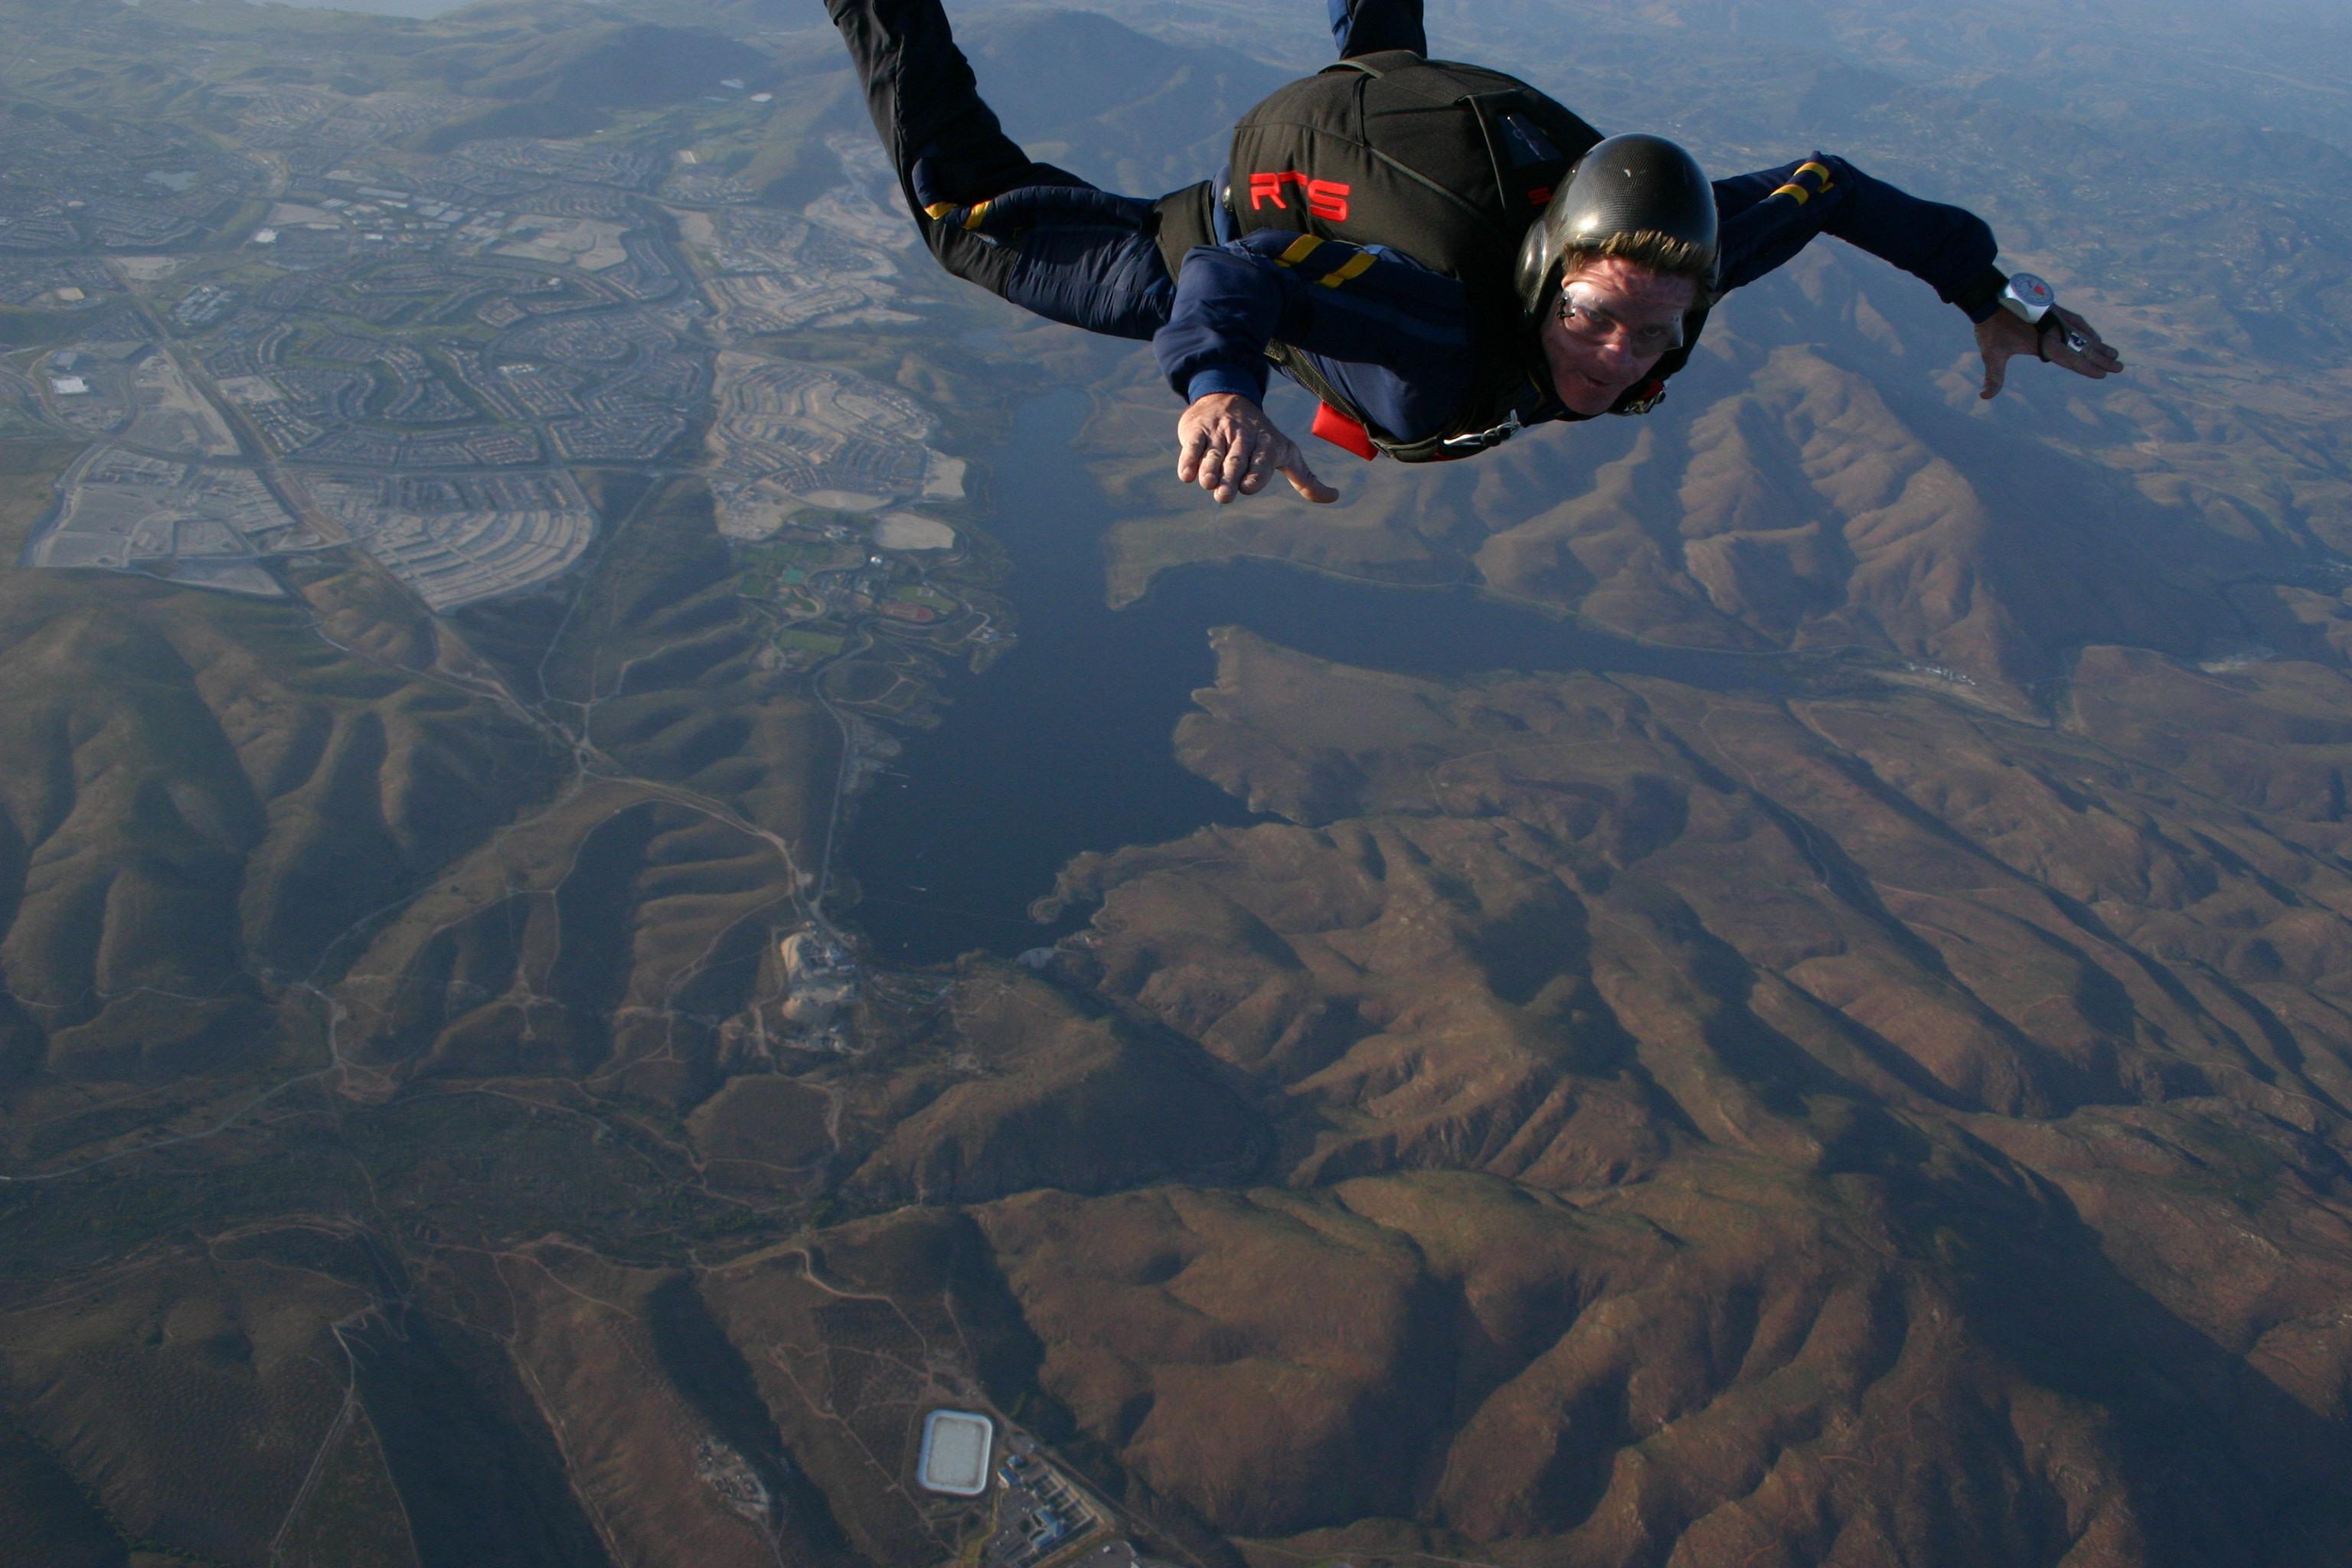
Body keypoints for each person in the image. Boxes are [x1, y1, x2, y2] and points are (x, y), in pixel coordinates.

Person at [824, 0, 2123, 505]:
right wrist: (1221, 385)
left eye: (1654, 331)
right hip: (1220, 244)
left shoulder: (1681, 263)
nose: (1618, 357)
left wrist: (1994, 294)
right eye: (1600, 320)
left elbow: (1823, 187)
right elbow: (1235, 278)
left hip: (1393, 114)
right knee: (965, 222)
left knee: (1381, 42)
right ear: (1548, 277)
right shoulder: (1434, 330)